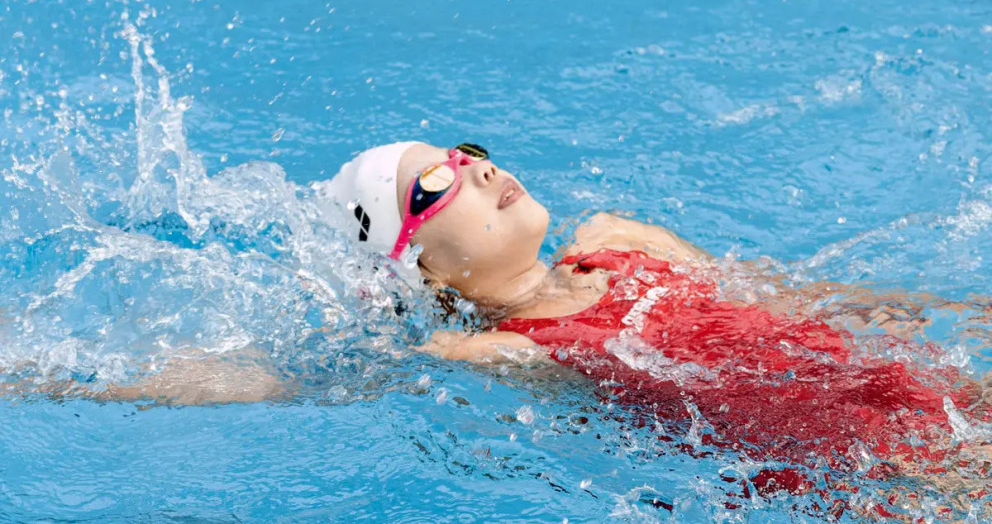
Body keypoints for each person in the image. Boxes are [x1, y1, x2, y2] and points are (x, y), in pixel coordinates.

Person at [317, 141, 992, 516]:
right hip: (847, 467)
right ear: (423, 270)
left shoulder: (618, 238)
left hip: (917, 388)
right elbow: (340, 375)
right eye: (437, 183)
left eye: (466, 153)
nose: (481, 168)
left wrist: (961, 313)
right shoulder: (500, 348)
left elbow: (799, 299)